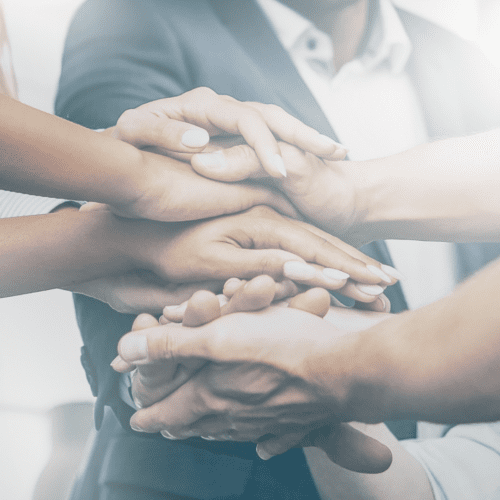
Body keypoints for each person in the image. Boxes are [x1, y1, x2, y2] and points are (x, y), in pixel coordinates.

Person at [56, 0, 500, 499]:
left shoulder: (461, 56)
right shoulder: (140, 17)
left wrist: (345, 361)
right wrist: (161, 365)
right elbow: (114, 215)